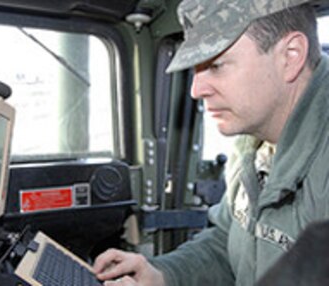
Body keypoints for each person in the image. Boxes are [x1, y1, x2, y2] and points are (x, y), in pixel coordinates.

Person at [93, 0, 329, 285]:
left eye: (216, 66)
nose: (196, 90)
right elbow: (228, 243)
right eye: (195, 70)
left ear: (290, 56)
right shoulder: (253, 146)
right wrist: (163, 275)